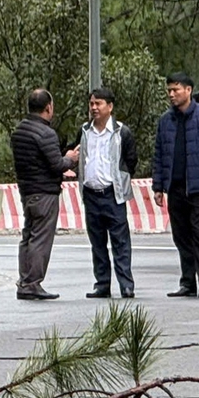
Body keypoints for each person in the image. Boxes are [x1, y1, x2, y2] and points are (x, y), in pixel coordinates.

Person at [151, 74, 199, 298]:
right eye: (169, 90)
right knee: (180, 235)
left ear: (189, 90)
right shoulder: (166, 120)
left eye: (176, 89)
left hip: (198, 187)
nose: (172, 94)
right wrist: (158, 186)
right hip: (175, 188)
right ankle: (187, 281)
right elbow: (159, 155)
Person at [10, 89, 79, 300]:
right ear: (48, 107)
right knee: (41, 239)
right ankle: (33, 283)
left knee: (28, 236)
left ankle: (24, 281)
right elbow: (56, 164)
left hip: (27, 190)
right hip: (45, 192)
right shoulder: (46, 133)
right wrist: (70, 158)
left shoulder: (19, 131)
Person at [78, 88, 137, 300]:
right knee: (97, 243)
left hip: (113, 194)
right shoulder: (85, 131)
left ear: (110, 107)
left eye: (98, 103)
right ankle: (102, 284)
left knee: (120, 242)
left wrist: (120, 180)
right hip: (91, 194)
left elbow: (131, 161)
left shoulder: (122, 132)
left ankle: (126, 285)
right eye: (91, 103)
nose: (94, 107)